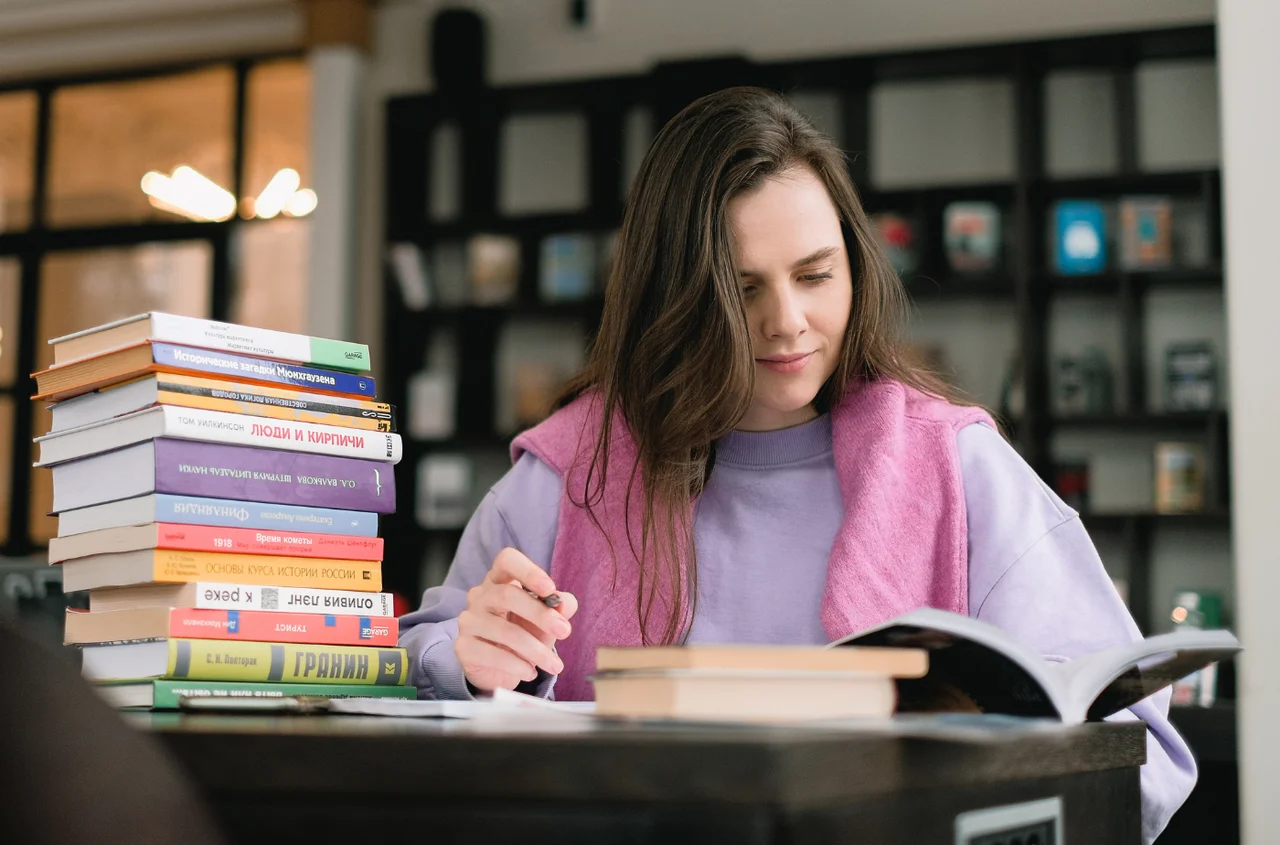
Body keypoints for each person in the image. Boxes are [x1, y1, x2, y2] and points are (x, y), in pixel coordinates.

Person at [399, 86, 1195, 842]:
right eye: (741, 289)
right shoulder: (570, 474)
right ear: (671, 298)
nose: (787, 322)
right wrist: (461, 661)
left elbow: (1144, 752)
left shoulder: (960, 469)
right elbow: (402, 666)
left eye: (816, 275)